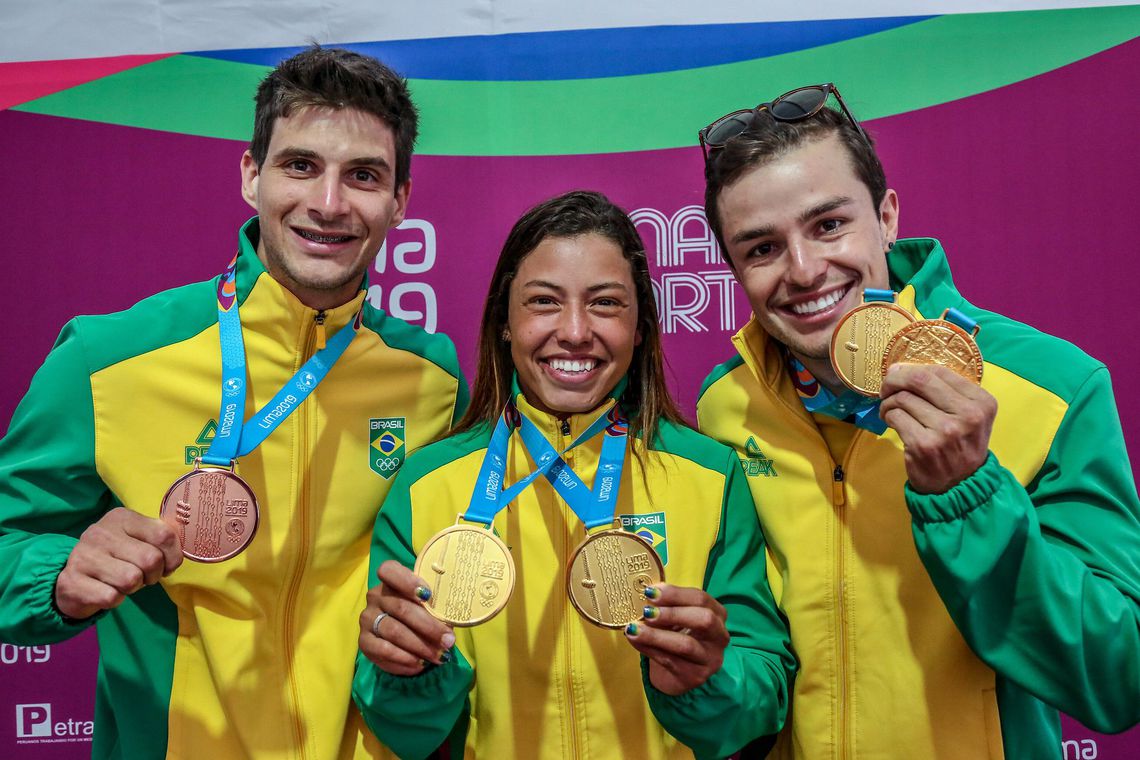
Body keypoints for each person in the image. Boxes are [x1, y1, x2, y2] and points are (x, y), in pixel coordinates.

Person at [0, 47, 467, 759]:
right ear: (252, 175)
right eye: (300, 165)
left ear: (400, 199)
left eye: (364, 176)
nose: (330, 204)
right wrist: (56, 575)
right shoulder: (107, 359)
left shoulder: (433, 378)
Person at [695, 84, 1140, 758]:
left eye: (829, 225)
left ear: (888, 216)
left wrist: (971, 499)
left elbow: (1118, 678)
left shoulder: (1056, 385)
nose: (806, 269)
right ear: (733, 267)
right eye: (761, 249)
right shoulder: (724, 404)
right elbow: (757, 658)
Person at [352, 190, 795, 759]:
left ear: (640, 327)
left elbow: (761, 694)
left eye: (606, 304)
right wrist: (406, 674)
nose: (576, 332)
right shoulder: (425, 483)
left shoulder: (710, 474)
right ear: (505, 322)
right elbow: (402, 731)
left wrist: (709, 681)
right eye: (543, 302)